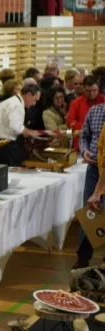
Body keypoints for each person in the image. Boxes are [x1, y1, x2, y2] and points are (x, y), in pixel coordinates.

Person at [76, 102, 105, 269]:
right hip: (94, 169)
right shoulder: (95, 111)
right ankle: (83, 258)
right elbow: (84, 135)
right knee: (88, 213)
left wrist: (97, 192)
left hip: (102, 171)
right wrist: (84, 150)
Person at [0, 83, 43, 166]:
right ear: (29, 95)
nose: (34, 104)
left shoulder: (10, 101)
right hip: (7, 148)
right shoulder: (17, 105)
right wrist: (31, 132)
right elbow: (16, 127)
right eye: (35, 100)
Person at [68, 75, 105, 150]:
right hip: (80, 146)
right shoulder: (75, 103)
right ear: (83, 88)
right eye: (88, 91)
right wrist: (91, 127)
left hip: (101, 146)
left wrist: (82, 126)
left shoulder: (104, 101)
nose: (91, 94)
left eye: (94, 90)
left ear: (98, 88)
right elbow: (70, 123)